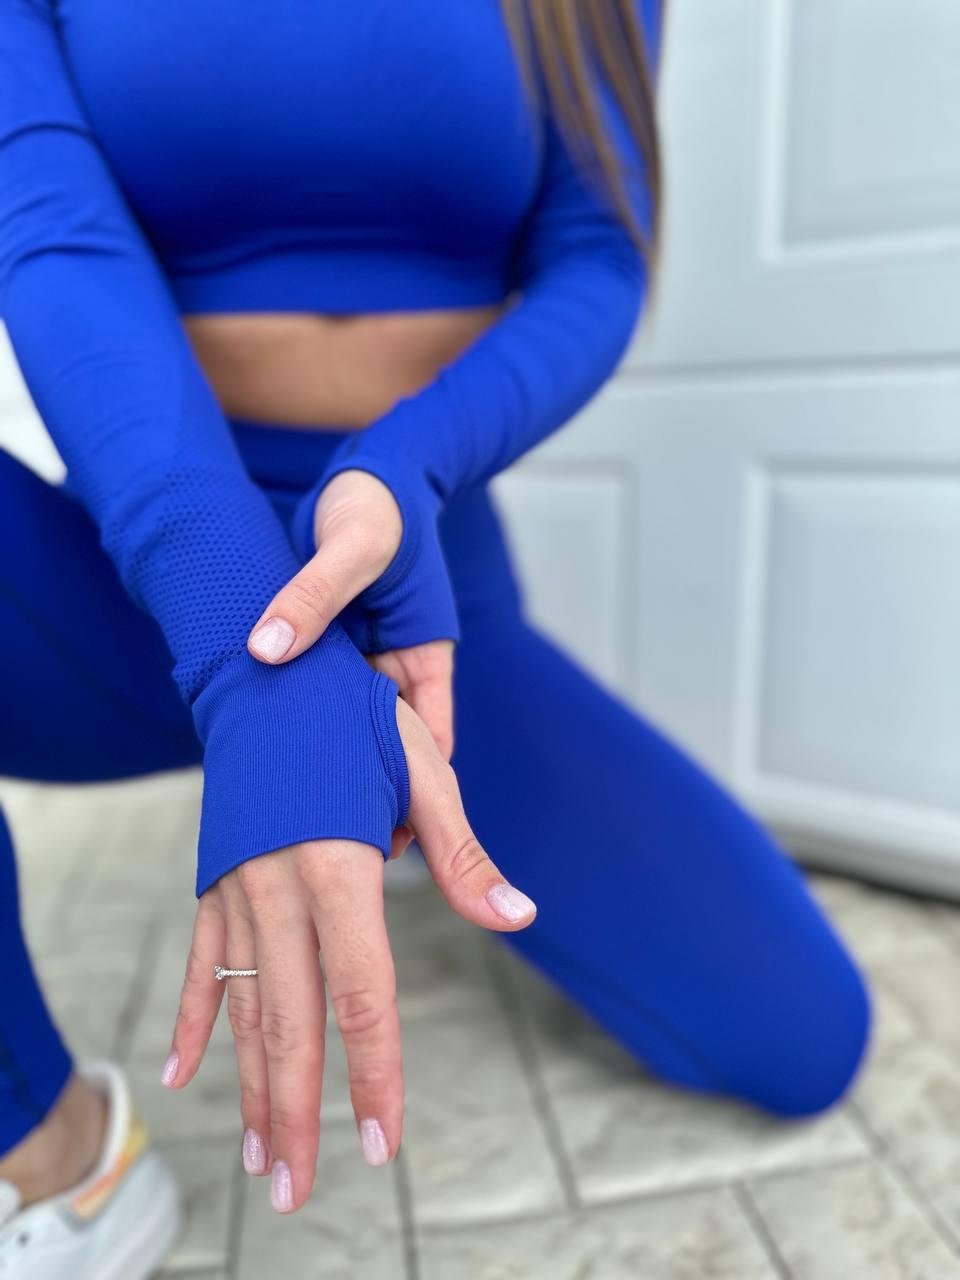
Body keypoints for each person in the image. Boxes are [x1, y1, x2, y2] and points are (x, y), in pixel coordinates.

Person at [0, 1, 871, 1273]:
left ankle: (379, 790)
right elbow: (53, 235)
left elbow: (597, 254)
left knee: (800, 1033)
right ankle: (51, 1139)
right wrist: (246, 656)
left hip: (417, 593)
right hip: (135, 563)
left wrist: (406, 461)